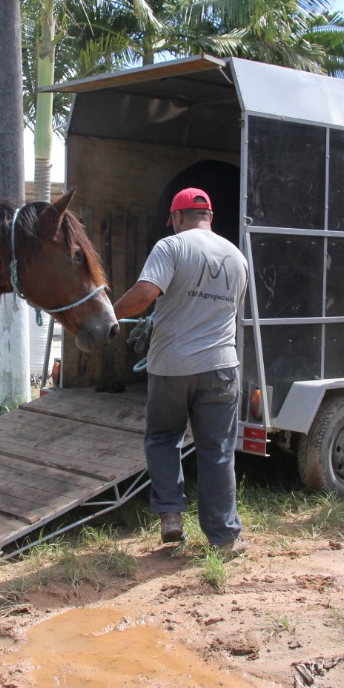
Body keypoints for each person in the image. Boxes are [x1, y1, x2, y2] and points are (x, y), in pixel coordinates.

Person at [114, 187, 249, 555]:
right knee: (218, 451)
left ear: (176, 218)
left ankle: (171, 516)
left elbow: (145, 294)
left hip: (172, 366)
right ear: (210, 218)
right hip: (221, 367)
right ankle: (224, 538)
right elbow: (232, 312)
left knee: (162, 438)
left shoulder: (171, 247)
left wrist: (111, 315)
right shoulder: (237, 257)